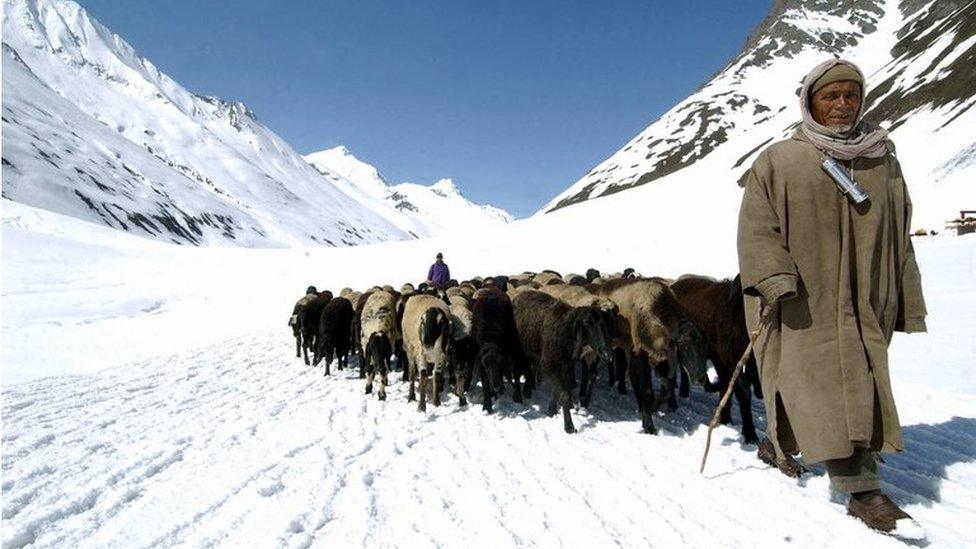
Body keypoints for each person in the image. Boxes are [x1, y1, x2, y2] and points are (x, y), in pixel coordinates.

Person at [737, 59, 927, 536]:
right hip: (804, 301)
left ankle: (779, 442)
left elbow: (900, 234)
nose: (842, 105)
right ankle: (862, 489)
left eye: (851, 95)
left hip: (868, 302)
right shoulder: (780, 160)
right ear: (811, 101)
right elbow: (756, 229)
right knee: (826, 384)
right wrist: (775, 279)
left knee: (847, 383)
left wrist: (906, 294)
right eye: (831, 96)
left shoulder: (882, 160)